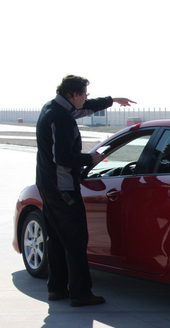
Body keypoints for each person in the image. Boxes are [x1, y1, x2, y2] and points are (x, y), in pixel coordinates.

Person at [36, 75, 136, 306]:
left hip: (47, 185)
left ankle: (57, 289)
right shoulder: (62, 118)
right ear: (74, 95)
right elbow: (62, 157)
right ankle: (81, 294)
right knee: (76, 240)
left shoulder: (52, 107)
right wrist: (90, 158)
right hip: (63, 188)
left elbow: (87, 107)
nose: (86, 99)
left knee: (57, 240)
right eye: (85, 94)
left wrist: (112, 100)